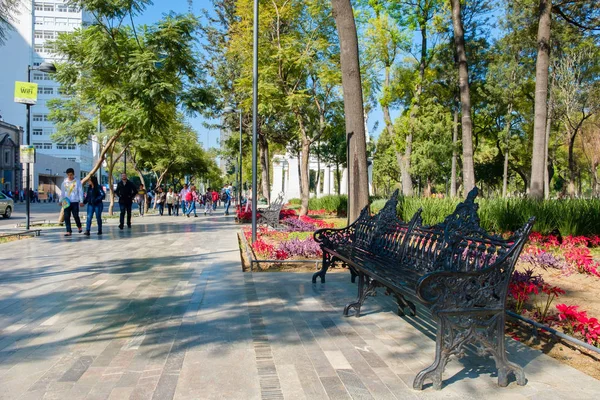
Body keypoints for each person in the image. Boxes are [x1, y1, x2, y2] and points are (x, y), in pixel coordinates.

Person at [59, 167, 84, 237]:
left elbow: (80, 192)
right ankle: (68, 231)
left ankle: (79, 226)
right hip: (66, 201)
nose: (70, 176)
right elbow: (62, 193)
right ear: (67, 175)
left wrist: (81, 201)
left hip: (75, 201)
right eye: (68, 175)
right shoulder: (64, 183)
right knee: (67, 216)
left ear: (73, 174)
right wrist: (60, 200)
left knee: (75, 215)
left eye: (71, 175)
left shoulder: (77, 182)